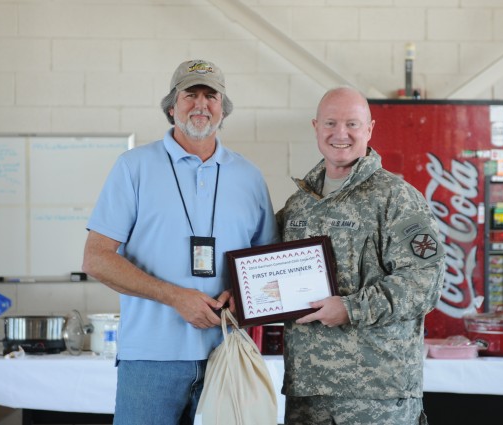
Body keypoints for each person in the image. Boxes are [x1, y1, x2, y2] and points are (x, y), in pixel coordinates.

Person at [82, 59, 279, 425]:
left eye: (211, 95)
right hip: (149, 361)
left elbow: (267, 265)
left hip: (227, 354)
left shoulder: (250, 177)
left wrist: (241, 294)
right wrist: (175, 297)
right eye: (190, 94)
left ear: (223, 109)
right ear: (172, 107)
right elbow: (96, 259)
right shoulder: (133, 167)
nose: (201, 104)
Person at [276, 86, 445, 425]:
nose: (341, 133)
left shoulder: (398, 198)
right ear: (315, 127)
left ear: (369, 130)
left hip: (376, 394)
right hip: (308, 393)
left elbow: (425, 283)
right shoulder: (298, 204)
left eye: (352, 124)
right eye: (330, 123)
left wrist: (350, 309)